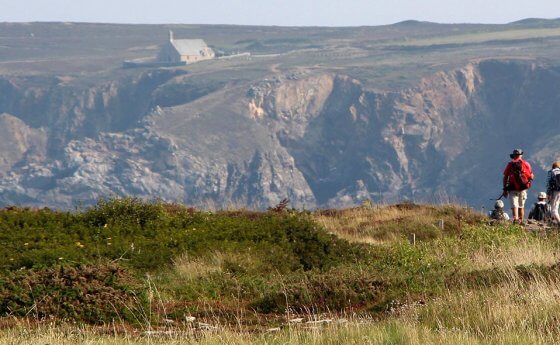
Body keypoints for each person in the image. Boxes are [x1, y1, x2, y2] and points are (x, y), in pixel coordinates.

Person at [503, 149, 534, 224]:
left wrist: (505, 189)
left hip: (512, 187)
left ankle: (515, 220)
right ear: (521, 155)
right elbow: (532, 177)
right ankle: (521, 221)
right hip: (523, 188)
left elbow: (505, 176)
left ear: (513, 156)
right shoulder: (526, 164)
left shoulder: (510, 164)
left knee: (514, 205)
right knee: (521, 206)